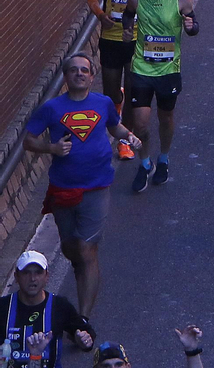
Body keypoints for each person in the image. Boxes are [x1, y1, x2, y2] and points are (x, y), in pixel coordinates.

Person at [22, 54, 140, 318]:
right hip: (63, 188)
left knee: (87, 249)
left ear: (91, 76)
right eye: (73, 70)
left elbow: (115, 126)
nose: (79, 74)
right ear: (66, 77)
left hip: (97, 187)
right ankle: (81, 264)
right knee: (70, 248)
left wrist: (129, 136)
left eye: (84, 70)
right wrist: (51, 147)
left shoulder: (103, 103)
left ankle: (83, 318)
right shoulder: (52, 108)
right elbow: (29, 141)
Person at [124, 0, 198, 193]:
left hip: (168, 69)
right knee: (141, 124)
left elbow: (193, 26)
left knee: (165, 118)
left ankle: (163, 158)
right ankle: (145, 163)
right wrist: (127, 29)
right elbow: (127, 15)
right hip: (142, 68)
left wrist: (190, 26)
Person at [86, 0, 148, 158]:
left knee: (134, 91)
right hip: (110, 39)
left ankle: (125, 140)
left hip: (136, 41)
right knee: (111, 93)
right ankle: (117, 106)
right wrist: (101, 16)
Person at [0, 251, 94, 368]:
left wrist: (84, 341)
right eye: (26, 273)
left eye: (38, 273)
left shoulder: (60, 306)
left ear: (46, 277)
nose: (32, 278)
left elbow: (87, 334)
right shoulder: (3, 307)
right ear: (16, 277)